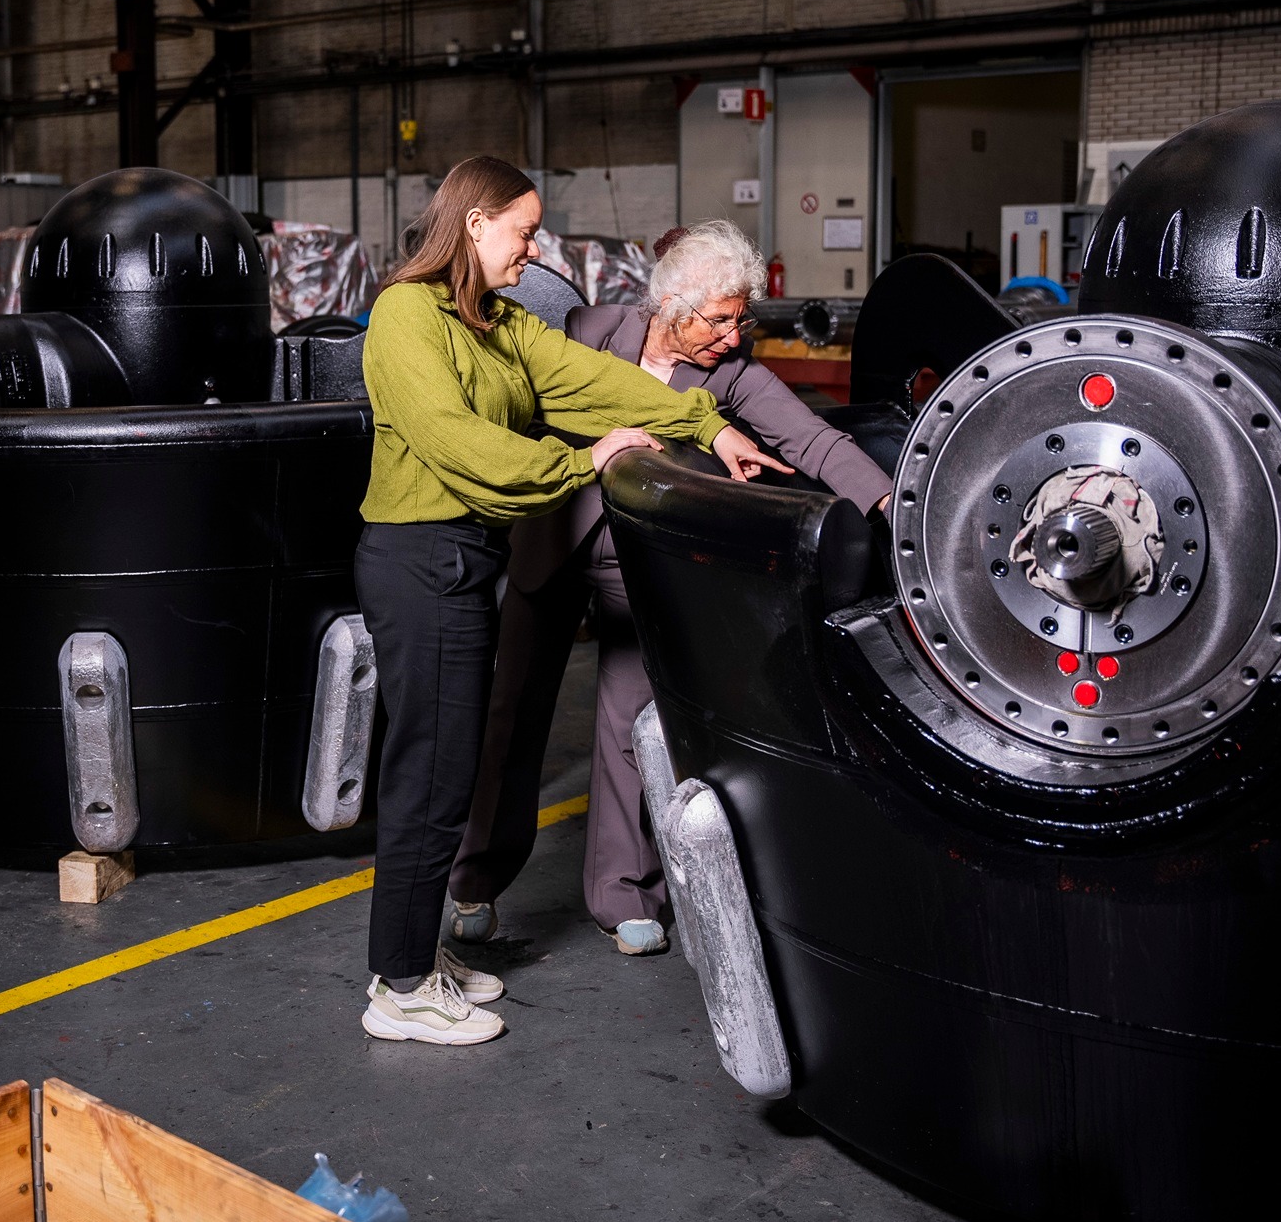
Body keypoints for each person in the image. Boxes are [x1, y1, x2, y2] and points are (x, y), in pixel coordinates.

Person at [354, 161, 788, 1046]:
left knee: (448, 770)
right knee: (429, 776)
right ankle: (398, 986)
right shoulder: (406, 315)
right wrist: (581, 462)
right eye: (523, 231)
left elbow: (594, 382)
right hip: (419, 559)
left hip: (465, 559)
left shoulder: (497, 321)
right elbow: (459, 445)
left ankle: (413, 958)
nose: (533, 248)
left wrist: (707, 425)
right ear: (474, 224)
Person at [447, 218, 894, 956]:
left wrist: (890, 504)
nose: (733, 335)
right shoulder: (590, 330)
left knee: (632, 726)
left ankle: (625, 894)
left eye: (740, 319)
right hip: (553, 538)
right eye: (719, 320)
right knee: (513, 713)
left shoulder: (734, 373)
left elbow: (813, 439)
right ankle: (475, 880)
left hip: (640, 562)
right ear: (671, 307)